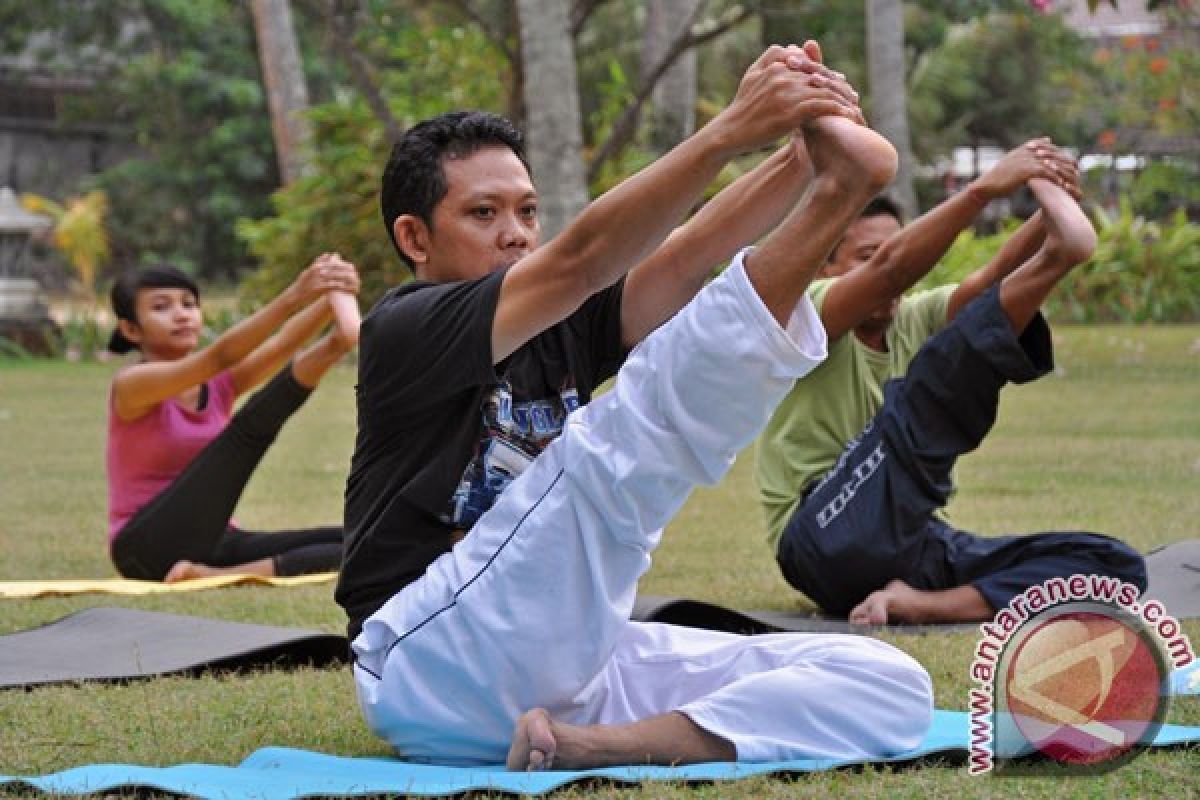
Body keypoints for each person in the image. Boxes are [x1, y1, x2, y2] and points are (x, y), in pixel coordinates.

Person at [342, 44, 934, 770]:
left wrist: (802, 153)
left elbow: (684, 259)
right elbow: (584, 257)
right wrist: (729, 133)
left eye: (528, 211)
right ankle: (840, 193)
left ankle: (595, 748)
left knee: (886, 681)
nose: (516, 233)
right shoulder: (407, 328)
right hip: (426, 658)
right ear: (415, 239)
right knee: (615, 452)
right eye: (484, 213)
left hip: (554, 670)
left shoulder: (559, 328)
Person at [755, 142, 1147, 626]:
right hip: (820, 535)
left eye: (893, 249)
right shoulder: (809, 313)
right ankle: (1057, 258)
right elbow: (891, 269)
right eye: (865, 255)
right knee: (925, 387)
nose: (894, 272)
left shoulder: (914, 316)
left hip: (905, 540)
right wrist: (985, 190)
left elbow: (987, 289)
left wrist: (1048, 207)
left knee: (1110, 565)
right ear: (827, 268)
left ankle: (915, 604)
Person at [105, 254, 361, 583]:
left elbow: (283, 345)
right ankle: (215, 570)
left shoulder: (218, 385)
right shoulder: (131, 385)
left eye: (188, 304)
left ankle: (212, 574)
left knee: (358, 540)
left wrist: (332, 299)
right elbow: (219, 356)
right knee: (249, 430)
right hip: (144, 548)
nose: (181, 315)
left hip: (212, 540)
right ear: (130, 329)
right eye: (161, 307)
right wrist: (294, 296)